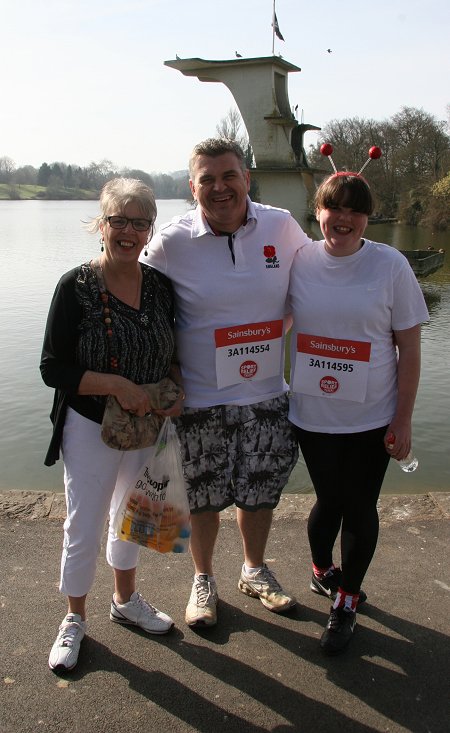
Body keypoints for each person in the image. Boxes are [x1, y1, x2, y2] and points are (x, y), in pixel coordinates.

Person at [141, 138, 311, 627]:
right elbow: (139, 300)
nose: (220, 188)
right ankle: (204, 579)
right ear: (193, 187)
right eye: (207, 180)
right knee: (203, 499)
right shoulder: (172, 241)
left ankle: (255, 570)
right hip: (199, 400)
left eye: (228, 176)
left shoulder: (280, 225)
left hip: (266, 396)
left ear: (246, 178)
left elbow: (321, 280)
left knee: (259, 493)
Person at [40, 178, 185, 672]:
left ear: (150, 230)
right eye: (118, 220)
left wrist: (174, 386)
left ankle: (126, 602)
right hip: (90, 425)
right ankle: (74, 620)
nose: (128, 231)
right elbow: (52, 369)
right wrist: (115, 385)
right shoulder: (75, 287)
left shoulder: (162, 286)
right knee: (82, 522)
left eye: (139, 222)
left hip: (148, 428)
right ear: (101, 226)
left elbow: (173, 352)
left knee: (134, 516)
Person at [288, 172, 429, 654]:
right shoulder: (299, 260)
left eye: (355, 210)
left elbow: (409, 348)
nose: (343, 219)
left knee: (360, 505)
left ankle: (346, 599)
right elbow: (263, 313)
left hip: (372, 416)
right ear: (319, 212)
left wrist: (403, 418)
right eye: (334, 208)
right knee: (330, 501)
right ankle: (320, 569)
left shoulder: (390, 266)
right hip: (312, 414)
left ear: (367, 217)